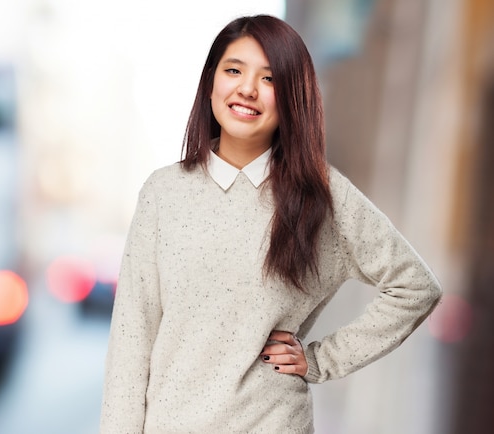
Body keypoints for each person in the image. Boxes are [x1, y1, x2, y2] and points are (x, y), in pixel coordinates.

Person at [100, 14, 442, 434]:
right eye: (233, 70)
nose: (247, 88)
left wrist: (320, 360)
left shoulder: (322, 196)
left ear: (292, 97)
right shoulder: (164, 193)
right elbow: (130, 344)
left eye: (269, 78)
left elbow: (416, 287)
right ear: (211, 83)